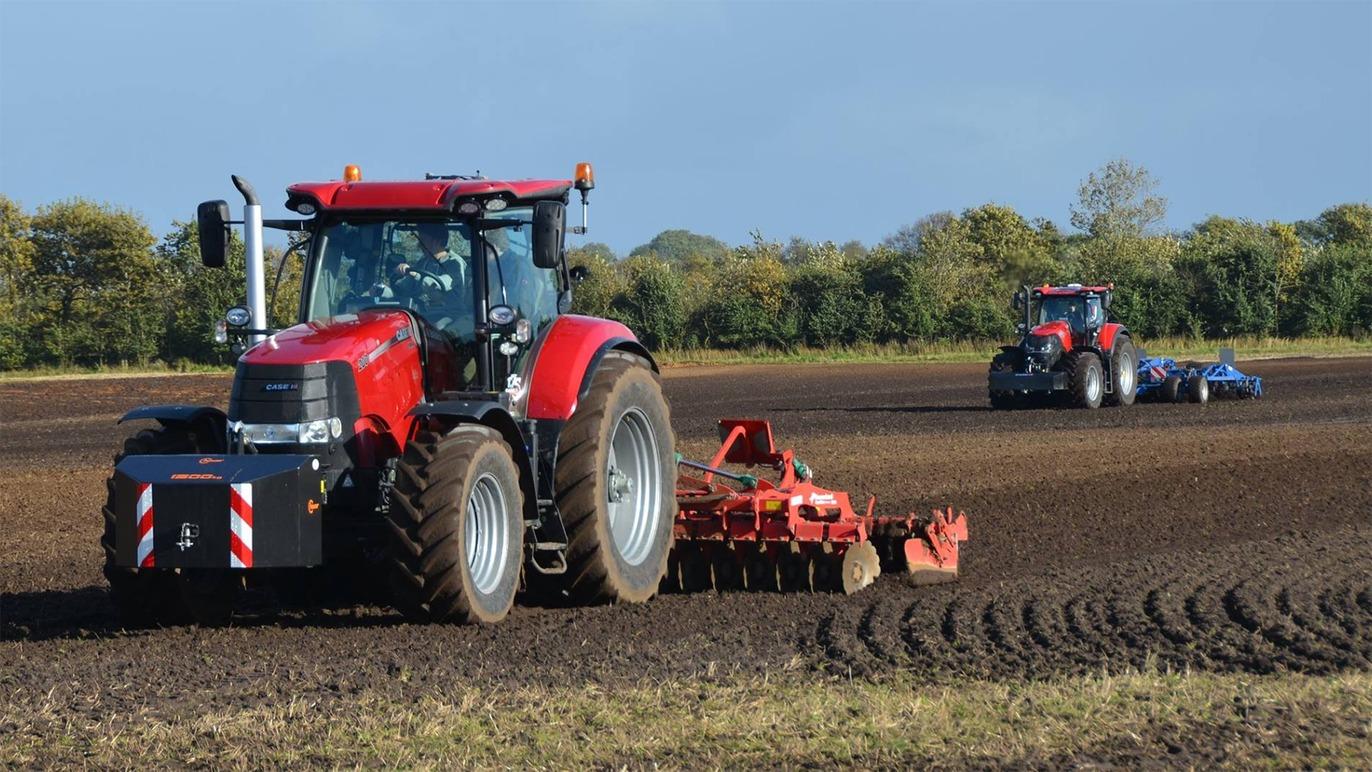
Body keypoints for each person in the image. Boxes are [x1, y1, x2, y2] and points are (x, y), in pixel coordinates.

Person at [392, 222, 472, 333]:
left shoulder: (454, 263)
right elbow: (406, 288)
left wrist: (414, 274)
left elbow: (442, 284)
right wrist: (383, 291)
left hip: (451, 315)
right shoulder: (423, 262)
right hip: (425, 313)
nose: (419, 245)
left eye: (423, 240)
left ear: (437, 241)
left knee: (434, 332)